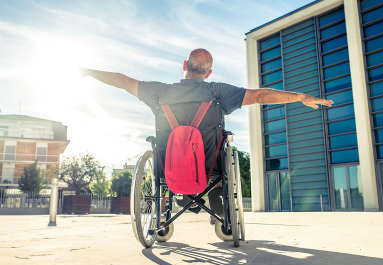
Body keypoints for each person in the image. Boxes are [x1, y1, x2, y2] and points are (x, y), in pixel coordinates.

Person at [79, 48, 333, 222]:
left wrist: (89, 72)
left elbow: (123, 80)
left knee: (170, 159)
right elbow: (259, 95)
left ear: (184, 66)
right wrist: (300, 97)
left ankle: (166, 212)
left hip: (168, 168)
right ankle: (218, 215)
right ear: (208, 73)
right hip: (209, 168)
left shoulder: (158, 92)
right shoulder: (217, 92)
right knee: (220, 162)